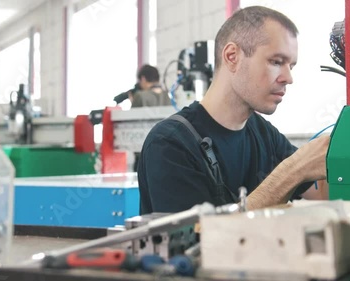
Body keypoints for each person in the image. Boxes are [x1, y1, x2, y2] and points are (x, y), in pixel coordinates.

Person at [138, 6, 330, 215]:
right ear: (232, 56)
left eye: (290, 66)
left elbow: (321, 194)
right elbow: (201, 241)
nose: (288, 78)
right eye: (276, 62)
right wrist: (292, 171)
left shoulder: (264, 135)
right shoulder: (170, 144)